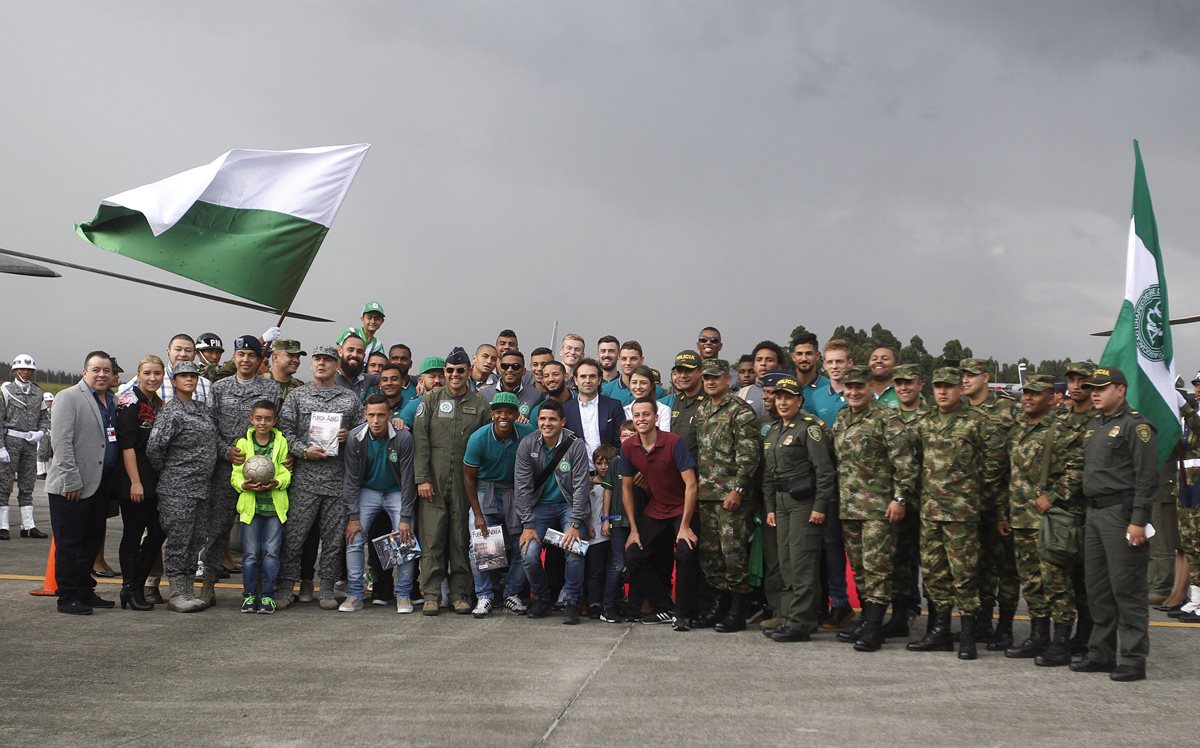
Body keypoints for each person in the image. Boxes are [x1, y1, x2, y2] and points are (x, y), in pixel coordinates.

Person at [905, 368, 1002, 660]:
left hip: (962, 512)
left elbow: (994, 464)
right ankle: (940, 632)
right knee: (934, 575)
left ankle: (969, 635)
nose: (943, 392)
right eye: (938, 387)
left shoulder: (976, 421)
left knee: (964, 575)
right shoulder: (925, 421)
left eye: (948, 386)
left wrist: (972, 494)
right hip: (930, 511)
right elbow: (914, 459)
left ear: (960, 388)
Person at [1072, 366, 1158, 682]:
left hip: (1120, 516)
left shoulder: (1136, 427)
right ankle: (1101, 654)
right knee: (1097, 589)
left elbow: (1147, 478)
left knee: (1127, 588)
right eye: (1092, 387)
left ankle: (1134, 659)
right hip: (1094, 515)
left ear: (1120, 390)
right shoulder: (1095, 427)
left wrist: (1138, 521)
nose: (1094, 392)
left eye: (1102, 387)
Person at [830, 366, 917, 650]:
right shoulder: (842, 419)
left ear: (870, 388)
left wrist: (900, 498)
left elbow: (905, 464)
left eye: (859, 387)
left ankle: (874, 630)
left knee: (877, 568)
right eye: (849, 387)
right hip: (850, 508)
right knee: (859, 570)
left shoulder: (886, 419)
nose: (854, 392)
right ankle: (868, 623)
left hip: (879, 509)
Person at [999, 374, 1084, 666]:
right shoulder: (1018, 429)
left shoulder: (1061, 430)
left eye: (1036, 394)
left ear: (1051, 398)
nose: (1028, 398)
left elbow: (1077, 470)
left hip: (1049, 521)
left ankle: (1061, 642)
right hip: (1021, 519)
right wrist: (1004, 512)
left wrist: (1055, 496)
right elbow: (1008, 475)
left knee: (1056, 583)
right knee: (1031, 583)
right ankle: (1039, 636)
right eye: (1026, 393)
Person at [278, 344, 364, 610]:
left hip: (337, 480)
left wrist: (349, 435)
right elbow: (284, 432)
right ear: (311, 364)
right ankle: (285, 586)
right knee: (294, 537)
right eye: (317, 360)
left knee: (333, 539)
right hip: (305, 480)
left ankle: (326, 588)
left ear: (336, 365)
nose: (321, 364)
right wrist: (304, 450)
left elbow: (365, 433)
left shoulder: (349, 399)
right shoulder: (297, 396)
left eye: (327, 360)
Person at [200, 336, 281, 608]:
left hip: (263, 472)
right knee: (218, 526)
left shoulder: (270, 389)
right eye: (241, 354)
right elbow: (209, 425)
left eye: (251, 355)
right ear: (234, 357)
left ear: (260, 360)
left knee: (260, 533)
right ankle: (208, 583)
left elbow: (278, 427)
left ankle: (260, 588)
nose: (245, 359)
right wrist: (225, 451)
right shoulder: (219, 388)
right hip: (227, 469)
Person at [411, 347, 491, 615]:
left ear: (469, 371)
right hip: (432, 482)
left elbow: (486, 443)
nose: (454, 375)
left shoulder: (480, 405)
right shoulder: (431, 401)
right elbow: (420, 442)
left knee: (460, 539)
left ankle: (459, 594)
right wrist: (422, 478)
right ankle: (431, 594)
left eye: (460, 370)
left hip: (464, 485)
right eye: (449, 371)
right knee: (432, 539)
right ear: (444, 372)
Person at [762, 375, 838, 643]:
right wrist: (770, 507)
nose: (782, 402)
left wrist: (819, 506)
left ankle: (802, 622)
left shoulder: (809, 428)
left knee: (802, 562)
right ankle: (787, 616)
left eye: (789, 397)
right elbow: (769, 476)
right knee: (786, 562)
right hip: (781, 505)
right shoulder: (773, 431)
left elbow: (825, 472)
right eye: (779, 397)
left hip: (804, 504)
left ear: (799, 400)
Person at [45, 351, 120, 615]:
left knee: (91, 541)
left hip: (99, 484)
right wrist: (71, 480)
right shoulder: (68, 397)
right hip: (72, 486)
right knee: (70, 543)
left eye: (106, 370)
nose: (102, 374)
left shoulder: (112, 401)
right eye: (96, 369)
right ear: (84, 372)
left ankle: (85, 590)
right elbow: (61, 443)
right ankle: (66, 597)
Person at [621, 396, 701, 631]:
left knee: (686, 553)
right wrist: (634, 530)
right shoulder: (629, 446)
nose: (641, 419)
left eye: (646, 414)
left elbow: (692, 484)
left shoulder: (674, 442)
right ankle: (665, 607)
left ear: (656, 418)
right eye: (637, 415)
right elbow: (626, 488)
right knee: (633, 555)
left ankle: (684, 613)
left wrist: (685, 525)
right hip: (656, 509)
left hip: (682, 509)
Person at [692, 359, 761, 632]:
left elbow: (749, 455)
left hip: (730, 496)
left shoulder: (740, 411)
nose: (710, 382)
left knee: (733, 553)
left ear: (727, 379)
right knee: (711, 555)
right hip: (706, 494)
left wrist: (739, 489)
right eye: (706, 378)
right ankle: (718, 606)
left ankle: (737, 610)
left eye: (715, 378)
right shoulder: (703, 410)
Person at [146, 361, 219, 613]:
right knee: (179, 539)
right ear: (174, 380)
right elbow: (155, 449)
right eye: (183, 375)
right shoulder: (170, 412)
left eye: (192, 375)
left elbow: (213, 441)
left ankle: (187, 589)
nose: (189, 379)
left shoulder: (201, 409)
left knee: (196, 539)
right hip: (178, 488)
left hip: (201, 487)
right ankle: (177, 592)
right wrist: (172, 472)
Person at [513, 398, 592, 624]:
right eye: (543, 419)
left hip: (569, 507)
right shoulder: (528, 444)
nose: (547, 423)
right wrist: (527, 525)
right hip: (540, 508)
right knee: (528, 554)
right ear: (537, 420)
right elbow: (522, 486)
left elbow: (580, 486)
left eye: (552, 419)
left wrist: (575, 523)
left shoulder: (575, 444)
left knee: (574, 551)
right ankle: (544, 597)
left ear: (562, 421)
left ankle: (571, 602)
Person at [960, 357, 1020, 650]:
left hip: (1001, 502)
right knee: (976, 568)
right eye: (963, 375)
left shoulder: (1006, 410)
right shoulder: (958, 412)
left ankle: (1006, 627)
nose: (965, 380)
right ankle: (982, 622)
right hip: (967, 504)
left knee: (1005, 568)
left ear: (985, 377)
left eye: (971, 375)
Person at [341, 394, 417, 613]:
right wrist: (353, 517)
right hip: (369, 491)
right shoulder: (356, 437)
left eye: (381, 415)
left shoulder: (403, 438)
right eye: (371, 415)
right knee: (354, 538)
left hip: (396, 492)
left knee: (405, 539)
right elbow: (352, 479)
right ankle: (355, 594)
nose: (376, 420)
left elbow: (408, 480)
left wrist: (405, 518)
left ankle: (403, 595)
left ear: (390, 415)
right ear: (365, 415)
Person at [463, 392, 536, 617]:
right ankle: (484, 595)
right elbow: (469, 477)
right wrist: (477, 514)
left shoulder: (527, 433)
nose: (503, 416)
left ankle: (510, 593)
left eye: (509, 411)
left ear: (516, 414)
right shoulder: (479, 438)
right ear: (492, 414)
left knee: (523, 544)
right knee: (483, 545)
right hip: (487, 490)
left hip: (517, 490)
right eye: (498, 411)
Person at [114, 355, 166, 610]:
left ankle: (137, 584)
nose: (152, 378)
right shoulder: (129, 400)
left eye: (157, 373)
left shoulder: (157, 403)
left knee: (158, 533)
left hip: (155, 478)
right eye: (147, 373)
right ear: (139, 374)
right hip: (134, 478)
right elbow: (127, 445)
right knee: (132, 535)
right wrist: (135, 482)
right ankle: (129, 589)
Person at [230, 400, 292, 614]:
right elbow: (236, 474)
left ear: (275, 421)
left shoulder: (281, 442)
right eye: (258, 418)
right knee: (250, 555)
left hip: (274, 508)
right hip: (251, 508)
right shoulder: (243, 443)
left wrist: (278, 482)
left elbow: (285, 471)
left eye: (267, 419)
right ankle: (248, 596)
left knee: (272, 553)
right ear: (251, 420)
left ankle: (267, 596)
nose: (262, 423)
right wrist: (243, 485)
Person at [0, 354, 52, 539]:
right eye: (22, 369)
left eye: (29, 370)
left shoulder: (38, 393)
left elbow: (46, 418)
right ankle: (3, 526)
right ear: (14, 371)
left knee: (27, 485)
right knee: (4, 485)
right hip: (10, 442)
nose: (26, 372)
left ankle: (28, 526)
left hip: (30, 443)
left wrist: (40, 433)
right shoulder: (6, 392)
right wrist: (1, 448)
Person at [120, 333, 214, 406]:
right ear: (168, 351)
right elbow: (121, 396)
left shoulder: (206, 384)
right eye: (178, 349)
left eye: (188, 350)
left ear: (194, 354)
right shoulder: (153, 378)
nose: (183, 354)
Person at [563, 359, 624, 468]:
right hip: (577, 475)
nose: (588, 380)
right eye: (583, 376)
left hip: (609, 474)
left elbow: (620, 442)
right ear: (576, 380)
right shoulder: (565, 409)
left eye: (592, 376)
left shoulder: (614, 406)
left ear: (599, 380)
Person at [479, 350, 544, 422]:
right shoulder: (484, 394)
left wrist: (527, 425)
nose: (510, 370)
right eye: (505, 366)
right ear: (500, 369)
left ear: (524, 371)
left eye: (515, 366)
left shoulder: (537, 395)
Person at [667, 350, 706, 457]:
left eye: (688, 370)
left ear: (700, 371)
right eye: (679, 371)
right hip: (680, 469)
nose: (683, 375)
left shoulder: (709, 400)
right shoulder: (678, 401)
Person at [806, 338, 852, 428]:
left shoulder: (860, 394)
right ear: (825, 365)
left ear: (850, 363)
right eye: (830, 362)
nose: (834, 366)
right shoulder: (817, 396)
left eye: (839, 361)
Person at [396, 357, 446, 428]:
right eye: (432, 377)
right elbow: (401, 430)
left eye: (441, 376)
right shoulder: (415, 405)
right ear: (421, 381)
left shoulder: (454, 402)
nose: (437, 381)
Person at [738, 341, 783, 417]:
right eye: (759, 360)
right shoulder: (742, 394)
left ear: (779, 365)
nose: (763, 363)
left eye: (769, 360)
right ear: (754, 365)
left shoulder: (788, 392)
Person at [622, 365, 671, 432]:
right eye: (634, 382)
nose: (638, 386)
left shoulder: (663, 410)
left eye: (643, 383)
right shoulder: (625, 411)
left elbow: (664, 438)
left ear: (651, 386)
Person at [335, 332, 379, 400]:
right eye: (350, 350)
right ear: (340, 352)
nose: (354, 355)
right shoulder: (330, 379)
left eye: (359, 351)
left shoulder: (367, 379)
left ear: (364, 356)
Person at [265, 339, 307, 404]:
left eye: (298, 357)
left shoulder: (300, 387)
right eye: (290, 355)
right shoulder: (261, 382)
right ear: (275, 358)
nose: (296, 360)